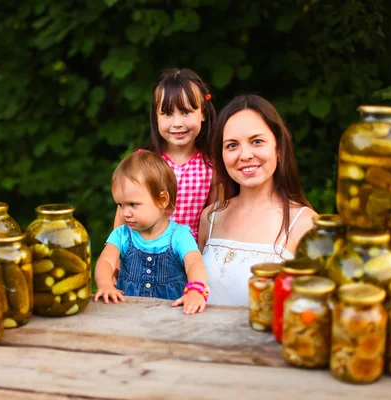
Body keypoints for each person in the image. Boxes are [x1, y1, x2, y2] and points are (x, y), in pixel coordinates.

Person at [198, 94, 316, 306]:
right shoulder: (210, 217)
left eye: (257, 141)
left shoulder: (306, 225)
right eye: (232, 145)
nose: (245, 155)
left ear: (278, 147)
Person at [96, 150, 208, 314]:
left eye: (133, 204)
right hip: (127, 312)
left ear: (162, 200)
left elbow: (194, 262)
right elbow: (106, 261)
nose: (124, 213)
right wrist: (105, 284)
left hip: (173, 314)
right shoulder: (122, 235)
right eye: (120, 205)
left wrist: (195, 290)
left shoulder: (179, 236)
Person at [113, 68, 217, 242]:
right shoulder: (142, 162)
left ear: (203, 113)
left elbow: (214, 223)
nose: (177, 123)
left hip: (188, 260)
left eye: (186, 112)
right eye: (167, 114)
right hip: (142, 257)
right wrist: (115, 257)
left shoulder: (211, 166)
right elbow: (122, 218)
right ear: (156, 116)